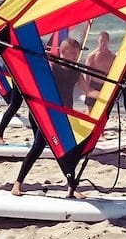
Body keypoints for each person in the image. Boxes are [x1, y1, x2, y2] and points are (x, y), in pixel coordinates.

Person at [11, 37, 90, 197]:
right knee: (38, 147)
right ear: (63, 52)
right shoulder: (52, 67)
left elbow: (88, 91)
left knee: (67, 150)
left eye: (77, 53)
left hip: (64, 114)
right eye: (73, 53)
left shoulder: (76, 71)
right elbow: (35, 82)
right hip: (46, 114)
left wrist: (111, 93)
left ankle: (71, 188)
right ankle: (17, 184)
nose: (75, 56)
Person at [84, 31, 115, 110]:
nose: (103, 43)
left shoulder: (112, 56)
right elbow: (86, 73)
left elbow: (115, 73)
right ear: (98, 40)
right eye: (101, 41)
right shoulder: (92, 55)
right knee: (91, 109)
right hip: (93, 85)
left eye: (105, 41)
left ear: (108, 41)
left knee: (103, 110)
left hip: (105, 86)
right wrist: (86, 89)